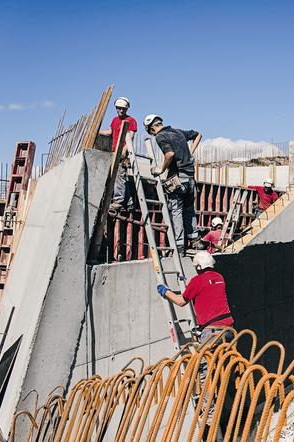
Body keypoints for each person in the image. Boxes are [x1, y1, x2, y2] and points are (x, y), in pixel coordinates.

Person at [156, 251, 234, 433]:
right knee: (219, 369)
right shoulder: (219, 277)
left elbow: (181, 301)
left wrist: (165, 291)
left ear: (198, 267)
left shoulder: (197, 281)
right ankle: (223, 404)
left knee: (203, 371)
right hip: (228, 330)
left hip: (212, 332)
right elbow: (212, 301)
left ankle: (209, 417)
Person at [144, 114, 203, 253]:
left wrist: (161, 169)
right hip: (190, 178)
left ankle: (179, 245)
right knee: (189, 209)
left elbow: (169, 154)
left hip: (178, 178)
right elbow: (198, 134)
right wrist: (191, 152)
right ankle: (194, 240)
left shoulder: (160, 136)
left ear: (152, 128)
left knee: (176, 210)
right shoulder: (177, 131)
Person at [99, 97, 138, 211]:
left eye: (123, 109)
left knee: (118, 176)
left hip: (123, 152)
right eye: (119, 108)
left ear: (127, 109)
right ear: (116, 108)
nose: (121, 111)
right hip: (114, 151)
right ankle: (129, 202)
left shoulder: (131, 120)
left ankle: (118, 201)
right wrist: (97, 131)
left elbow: (131, 136)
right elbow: (110, 132)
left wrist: (124, 149)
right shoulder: (114, 120)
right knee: (120, 176)